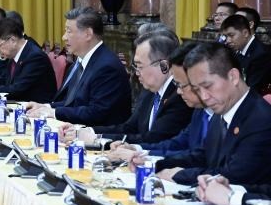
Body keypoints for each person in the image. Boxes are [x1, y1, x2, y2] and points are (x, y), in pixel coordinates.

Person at [154, 42, 271, 186]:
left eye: (208, 86)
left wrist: (179, 175)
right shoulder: (221, 110)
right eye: (197, 89)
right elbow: (203, 155)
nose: (204, 97)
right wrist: (156, 165)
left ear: (233, 77)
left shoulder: (261, 120)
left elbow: (233, 176)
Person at [60, 32, 191, 146]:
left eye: (140, 66)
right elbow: (129, 128)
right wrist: (87, 131)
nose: (136, 72)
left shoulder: (179, 96)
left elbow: (152, 139)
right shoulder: (150, 90)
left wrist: (98, 139)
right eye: (135, 66)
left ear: (164, 66)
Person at [25, 7, 132, 127]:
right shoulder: (80, 62)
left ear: (88, 34)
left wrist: (53, 113)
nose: (64, 37)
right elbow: (73, 103)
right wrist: (45, 107)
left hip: (98, 134)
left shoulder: (107, 67)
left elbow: (96, 112)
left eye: (69, 31)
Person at [106, 43, 211, 161]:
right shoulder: (200, 111)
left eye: (182, 85)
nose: (178, 91)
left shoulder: (202, 109)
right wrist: (136, 149)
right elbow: (177, 143)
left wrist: (145, 158)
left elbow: (198, 158)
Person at [0, 17, 55, 103]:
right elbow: (1, 81)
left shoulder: (35, 57)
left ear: (12, 40)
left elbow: (16, 89)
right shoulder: (14, 55)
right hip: (17, 103)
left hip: (35, 108)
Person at [220, 14, 271, 92]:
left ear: (245, 33)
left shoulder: (261, 54)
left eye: (231, 35)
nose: (228, 40)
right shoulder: (236, 51)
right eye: (226, 36)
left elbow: (252, 89)